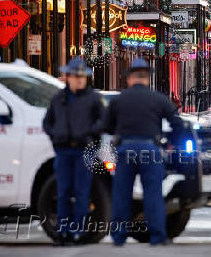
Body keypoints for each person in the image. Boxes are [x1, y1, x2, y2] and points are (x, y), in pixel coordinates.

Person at [105, 58, 183, 246]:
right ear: (147, 79)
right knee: (153, 194)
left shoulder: (119, 99)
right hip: (150, 149)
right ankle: (157, 236)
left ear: (129, 79)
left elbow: (106, 125)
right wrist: (169, 142)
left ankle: (118, 236)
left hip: (125, 150)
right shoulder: (157, 98)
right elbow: (177, 122)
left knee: (122, 193)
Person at [42, 57, 105, 245]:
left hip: (83, 151)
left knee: (81, 192)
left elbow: (103, 120)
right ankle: (63, 231)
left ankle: (77, 231)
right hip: (63, 151)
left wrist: (90, 134)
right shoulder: (58, 98)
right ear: (68, 77)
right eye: (75, 76)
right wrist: (55, 136)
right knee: (62, 192)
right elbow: (47, 122)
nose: (79, 80)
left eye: (82, 76)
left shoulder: (93, 98)